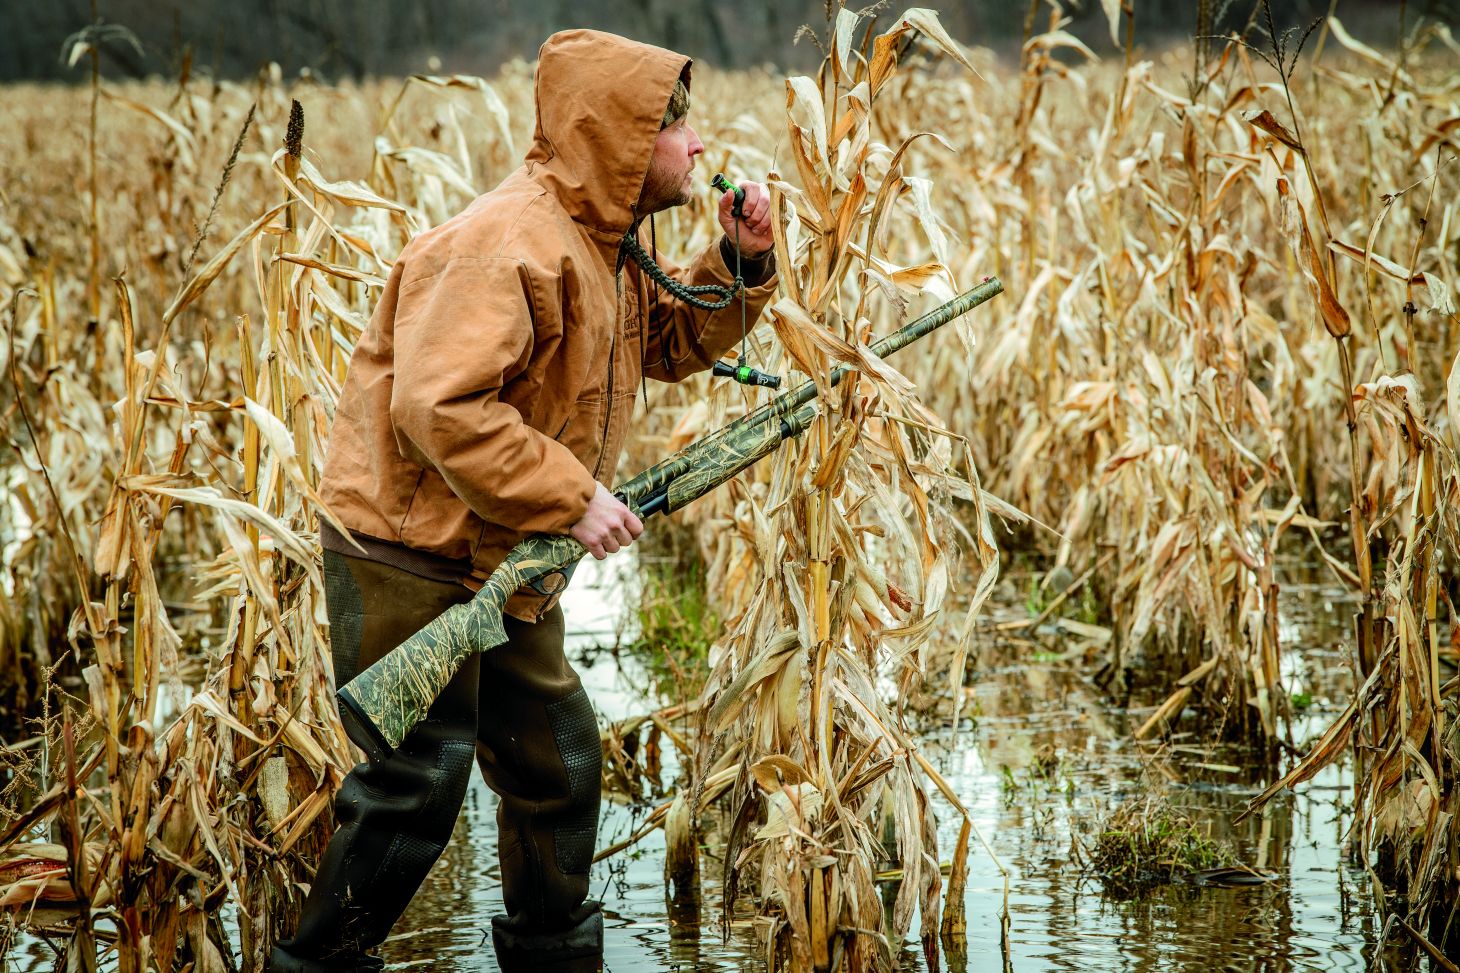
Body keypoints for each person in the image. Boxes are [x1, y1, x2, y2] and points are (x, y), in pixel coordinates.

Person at [266, 27, 779, 973]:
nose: (699, 145)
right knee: (417, 783)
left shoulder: (600, 242)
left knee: (556, 761)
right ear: (621, 139)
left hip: (504, 555)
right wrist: (573, 495)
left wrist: (738, 264)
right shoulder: (509, 240)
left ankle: (554, 961)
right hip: (409, 552)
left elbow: (665, 346)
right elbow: (437, 404)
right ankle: (316, 967)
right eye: (678, 127)